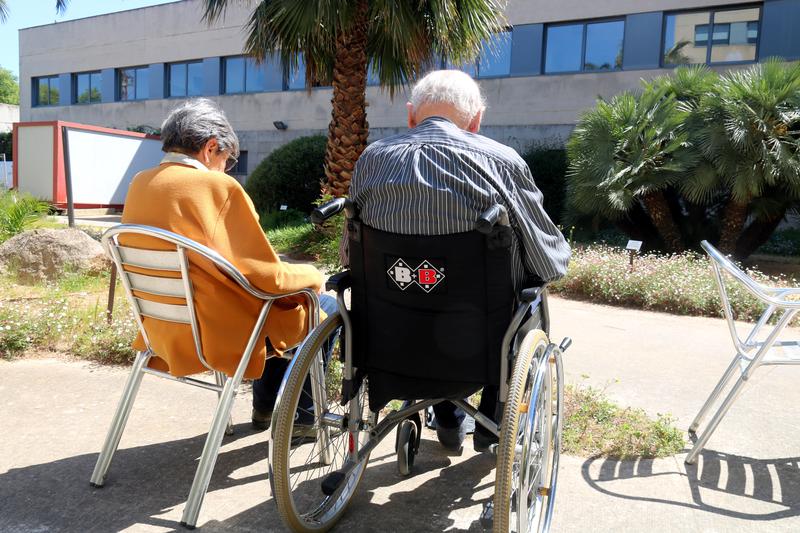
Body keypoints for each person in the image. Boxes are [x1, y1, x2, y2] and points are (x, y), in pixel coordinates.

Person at [341, 70, 571, 452]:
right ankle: (492, 424)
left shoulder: (371, 160)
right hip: (478, 342)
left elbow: (350, 255)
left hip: (388, 335)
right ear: (476, 120)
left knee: (429, 295)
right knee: (517, 300)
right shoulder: (501, 162)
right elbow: (548, 261)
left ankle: (447, 418)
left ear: (411, 114)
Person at [121, 98, 335, 432]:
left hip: (163, 328)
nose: (227, 167)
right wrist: (312, 274)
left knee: (280, 306)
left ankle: (266, 409)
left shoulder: (140, 183)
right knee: (321, 304)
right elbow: (267, 278)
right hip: (218, 331)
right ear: (210, 148)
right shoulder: (215, 186)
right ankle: (301, 418)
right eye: (227, 159)